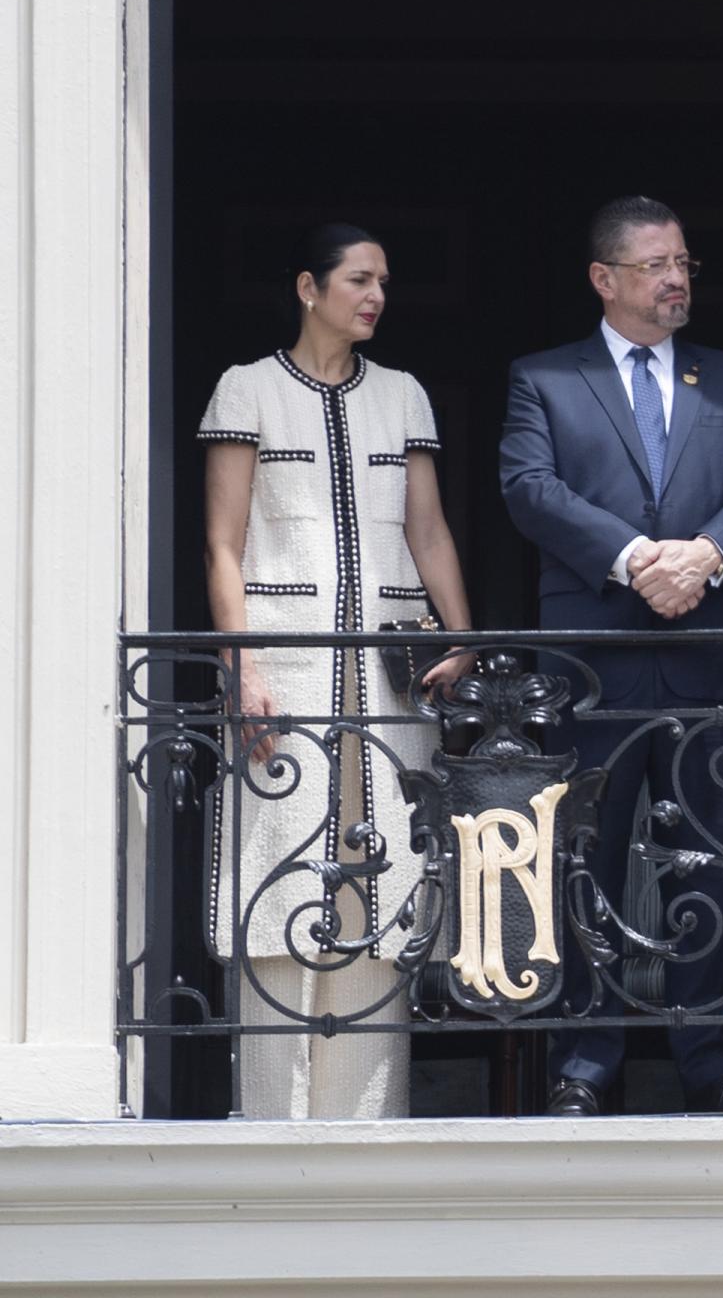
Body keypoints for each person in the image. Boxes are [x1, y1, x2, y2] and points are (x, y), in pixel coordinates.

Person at [499, 195, 723, 1116]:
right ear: (605, 278)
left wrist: (706, 555)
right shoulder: (545, 378)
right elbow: (529, 489)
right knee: (589, 858)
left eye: (685, 264)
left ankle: (708, 1057)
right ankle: (588, 1058)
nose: (677, 280)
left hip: (704, 657)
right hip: (594, 664)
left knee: (704, 860)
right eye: (659, 265)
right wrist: (637, 561)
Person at [198, 223, 475, 1118]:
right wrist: (241, 669)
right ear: (308, 287)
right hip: (286, 666)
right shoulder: (248, 389)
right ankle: (273, 1118)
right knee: (279, 866)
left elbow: (426, 531)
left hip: (391, 679)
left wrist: (464, 638)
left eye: (384, 282)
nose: (376, 297)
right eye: (359, 279)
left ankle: (369, 1121)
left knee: (384, 870)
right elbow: (223, 544)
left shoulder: (402, 397)